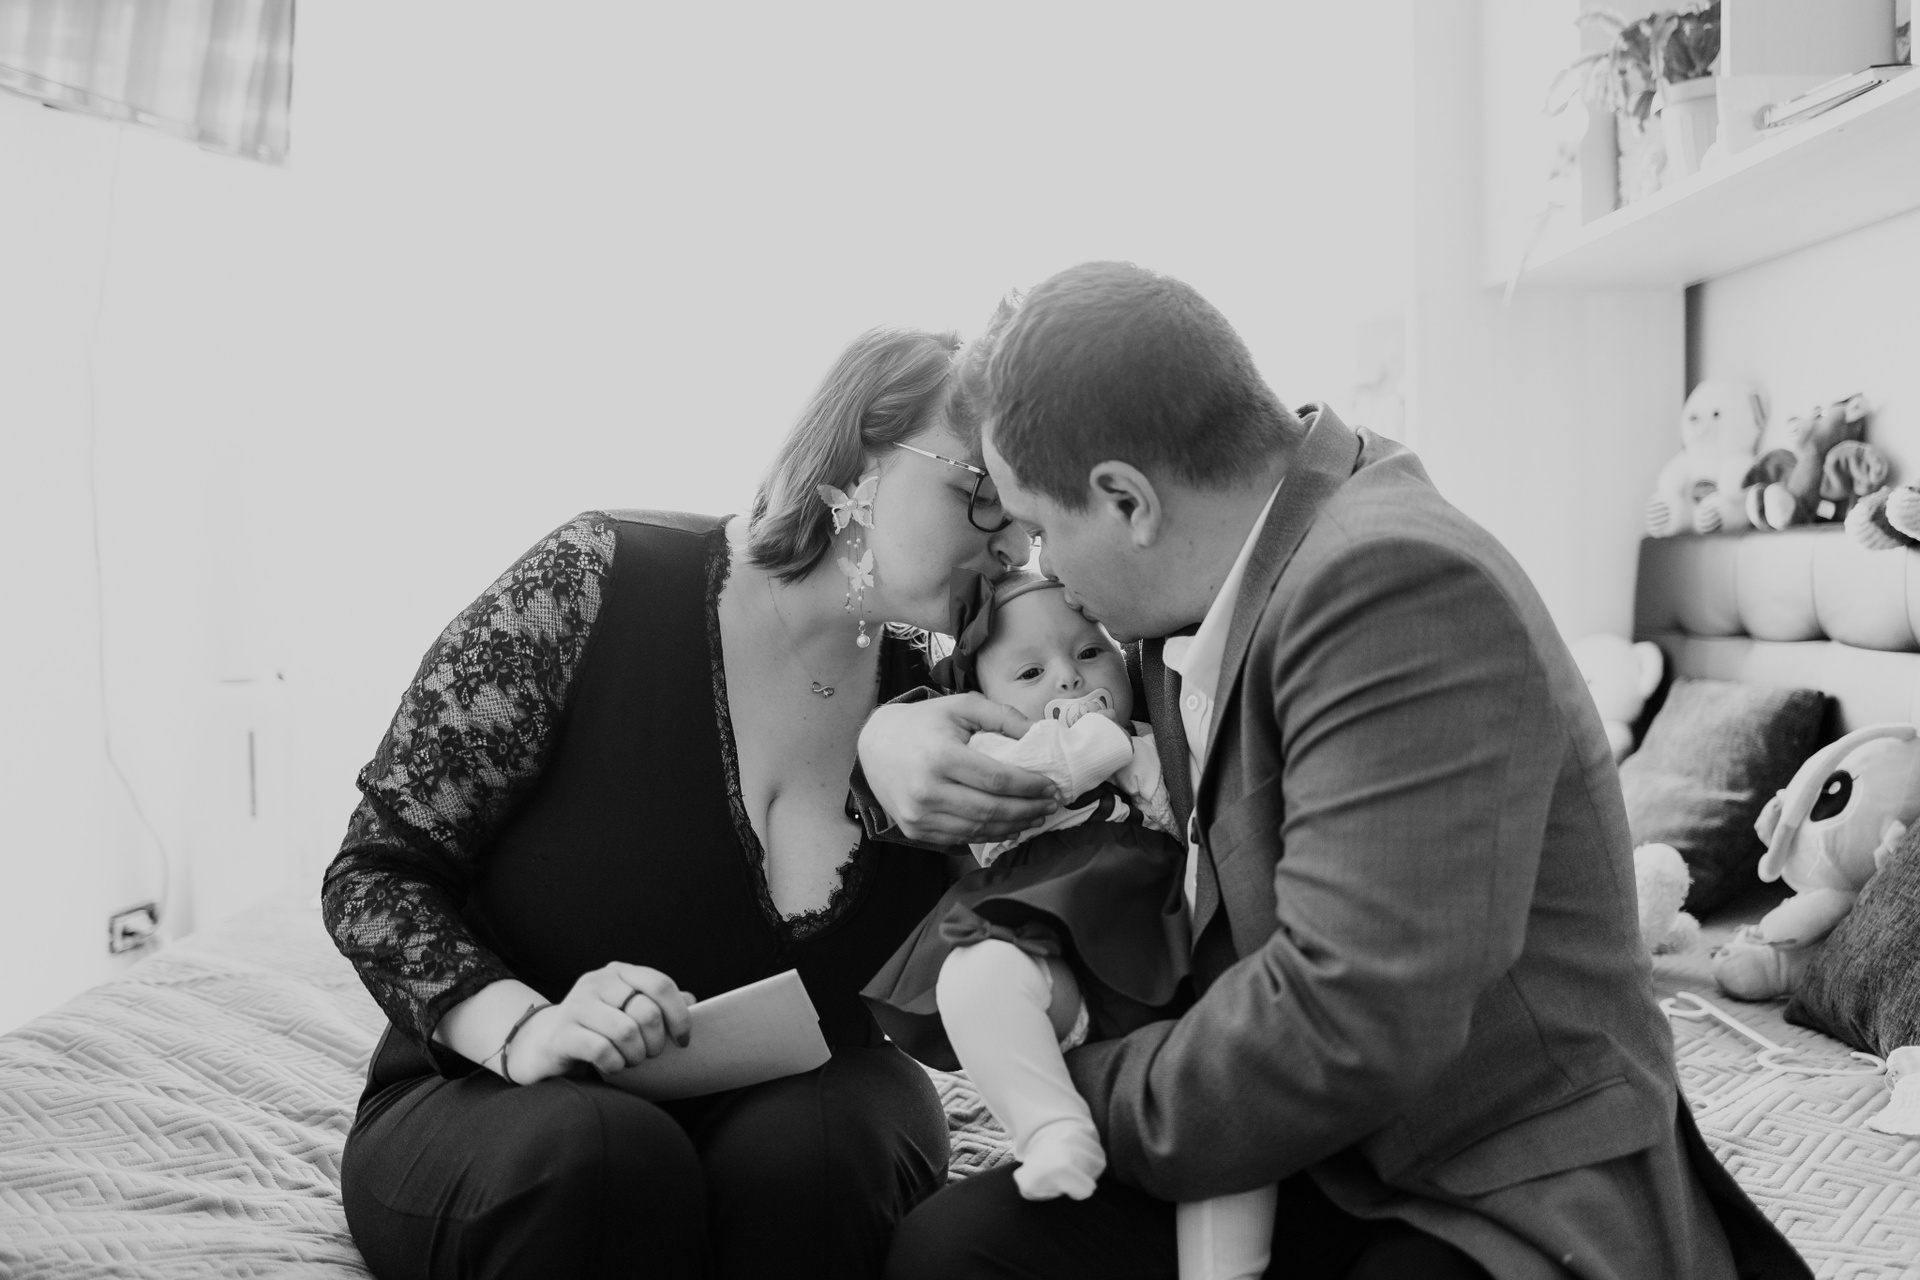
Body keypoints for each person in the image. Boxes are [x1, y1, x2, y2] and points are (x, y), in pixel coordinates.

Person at [857, 264, 1813, 1280]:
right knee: (954, 1251)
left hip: (1476, 1174)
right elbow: (1007, 706)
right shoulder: (1199, 573)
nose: (1045, 569)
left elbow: (1347, 1018)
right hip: (1309, 1146)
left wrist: (1061, 1084)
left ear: (1128, 499)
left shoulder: (1391, 582)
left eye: (1045, 531)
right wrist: (889, 737)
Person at [320, 326, 1034, 1280]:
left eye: (1029, 513)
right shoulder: (595, 580)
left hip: (807, 1107)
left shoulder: (961, 699)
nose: (1014, 543)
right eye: (982, 493)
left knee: (827, 1159)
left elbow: (989, 978)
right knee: (604, 1161)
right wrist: (526, 1029)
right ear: (863, 454)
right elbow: (374, 874)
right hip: (501, 1094)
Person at [861, 567, 1279, 1280]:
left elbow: (1186, 818)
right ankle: (1049, 1127)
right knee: (975, 977)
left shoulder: (1153, 743)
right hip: (1043, 928)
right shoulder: (991, 759)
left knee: (1224, 1128)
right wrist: (1092, 737)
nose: (1068, 678)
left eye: (1090, 652)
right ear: (981, 703)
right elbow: (1062, 767)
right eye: (1030, 672)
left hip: (1151, 942)